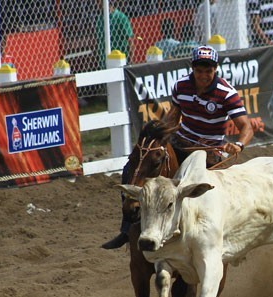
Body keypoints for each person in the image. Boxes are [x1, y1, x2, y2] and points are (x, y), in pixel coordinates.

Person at [102, 46, 254, 249]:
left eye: (208, 71)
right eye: (199, 70)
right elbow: (174, 115)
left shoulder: (227, 94)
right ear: (193, 68)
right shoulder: (181, 86)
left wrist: (238, 145)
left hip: (209, 151)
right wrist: (161, 133)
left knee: (204, 193)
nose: (204, 75)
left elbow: (247, 126)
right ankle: (126, 229)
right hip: (180, 142)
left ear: (215, 69)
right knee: (133, 167)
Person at [96, 0, 134, 69]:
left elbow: (130, 40)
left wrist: (130, 61)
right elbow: (97, 42)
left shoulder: (121, 17)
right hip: (103, 63)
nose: (97, 3)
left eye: (98, 1)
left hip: (119, 61)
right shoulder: (99, 20)